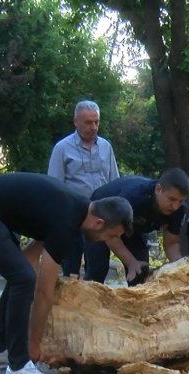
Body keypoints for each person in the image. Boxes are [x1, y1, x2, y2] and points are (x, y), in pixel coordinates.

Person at [0, 172, 133, 374]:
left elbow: (29, 258)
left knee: (20, 275)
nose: (108, 242)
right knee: (24, 278)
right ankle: (19, 368)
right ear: (99, 222)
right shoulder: (67, 220)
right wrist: (33, 346)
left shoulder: (72, 209)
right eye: (111, 235)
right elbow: (44, 293)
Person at [47, 100, 121, 277]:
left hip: (99, 218)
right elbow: (53, 186)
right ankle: (72, 303)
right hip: (73, 216)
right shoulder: (62, 148)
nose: (93, 127)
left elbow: (114, 181)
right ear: (76, 121)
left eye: (96, 122)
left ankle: (94, 302)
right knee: (71, 268)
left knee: (98, 268)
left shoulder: (105, 147)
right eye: (88, 122)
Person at [83, 168, 189, 285]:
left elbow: (171, 243)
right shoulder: (134, 196)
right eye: (172, 199)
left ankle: (133, 301)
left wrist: (180, 267)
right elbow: (111, 235)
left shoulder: (179, 209)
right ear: (158, 189)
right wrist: (130, 262)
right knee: (97, 270)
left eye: (180, 201)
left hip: (134, 229)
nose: (175, 206)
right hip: (103, 222)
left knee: (141, 271)